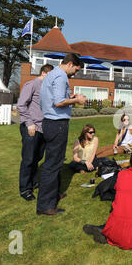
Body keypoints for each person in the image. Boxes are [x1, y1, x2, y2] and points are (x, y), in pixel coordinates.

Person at [37, 53, 87, 216]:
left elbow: (53, 98)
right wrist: (76, 100)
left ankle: (53, 195)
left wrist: (70, 96)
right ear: (71, 64)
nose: (75, 74)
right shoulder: (61, 77)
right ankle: (45, 205)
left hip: (50, 122)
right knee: (52, 165)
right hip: (57, 123)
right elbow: (58, 102)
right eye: (76, 70)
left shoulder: (51, 75)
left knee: (55, 162)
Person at [17, 64, 53, 201]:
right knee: (28, 159)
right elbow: (21, 105)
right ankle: (25, 189)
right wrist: (29, 123)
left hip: (42, 129)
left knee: (37, 158)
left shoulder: (47, 88)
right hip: (31, 127)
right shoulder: (31, 84)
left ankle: (32, 182)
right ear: (44, 73)